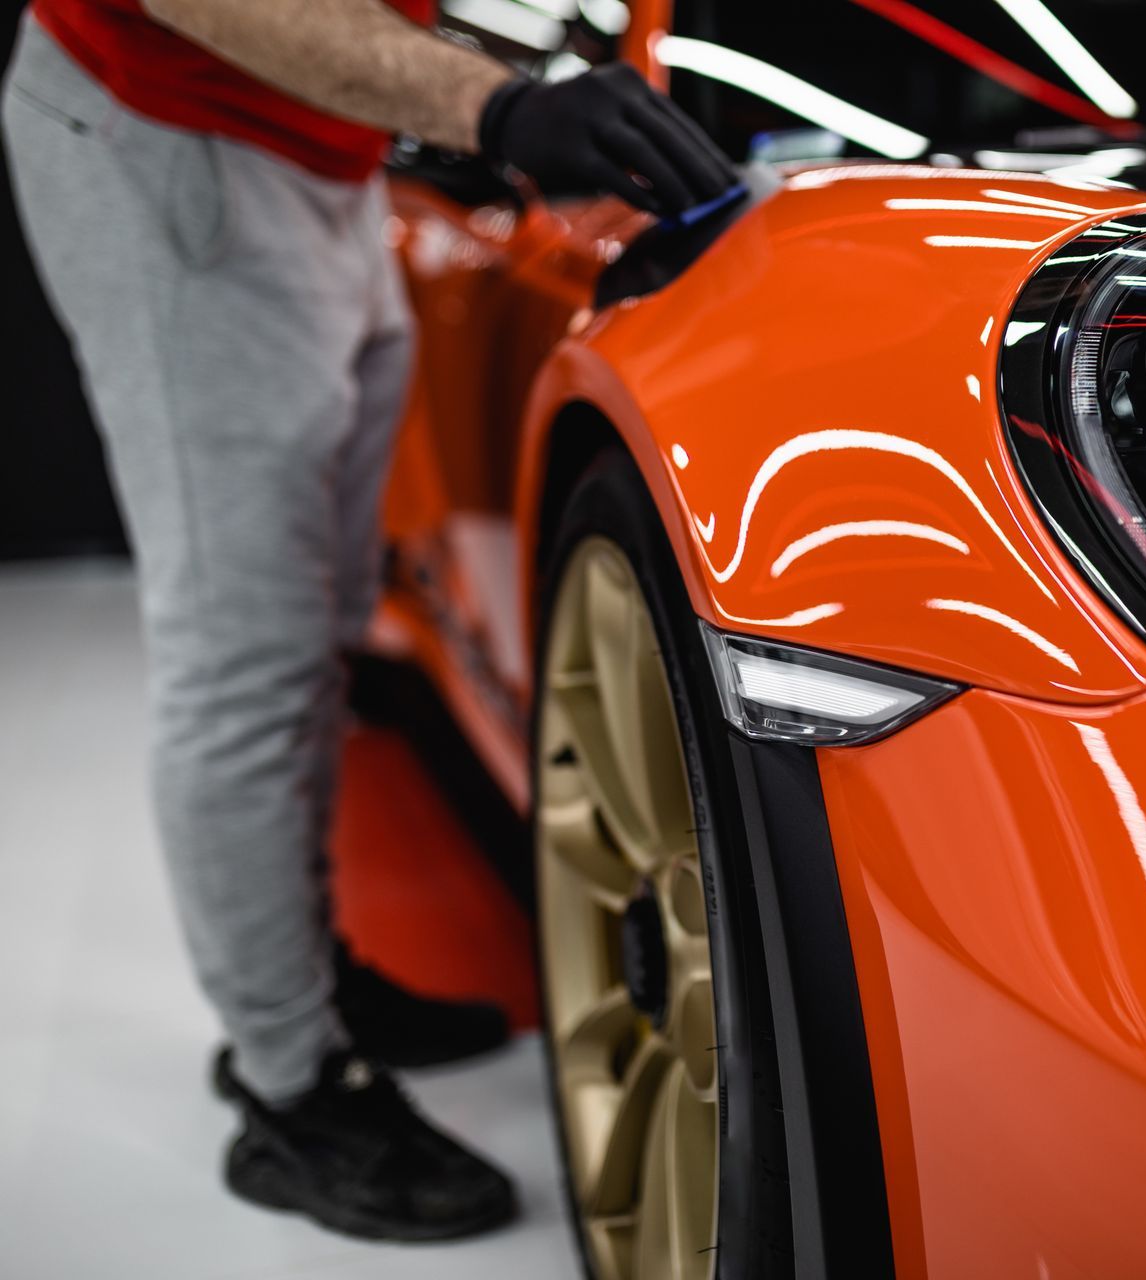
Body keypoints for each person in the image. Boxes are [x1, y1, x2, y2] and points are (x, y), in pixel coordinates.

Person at [2, 0, 735, 1244]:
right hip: (170, 125)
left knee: (328, 609)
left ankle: (301, 972)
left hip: (318, 136)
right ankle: (289, 1088)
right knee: (249, 640)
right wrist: (496, 106)